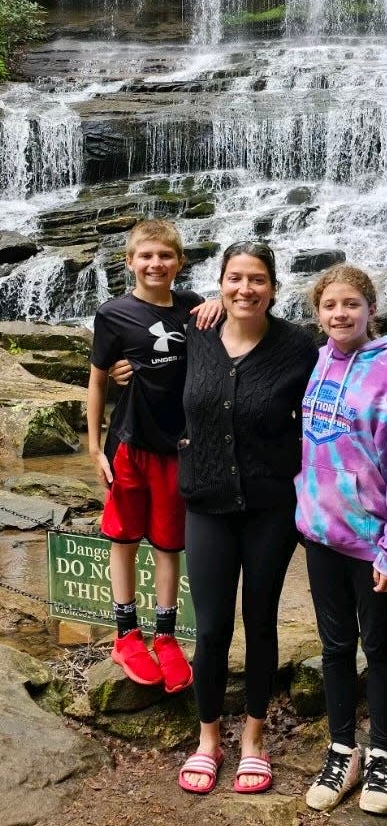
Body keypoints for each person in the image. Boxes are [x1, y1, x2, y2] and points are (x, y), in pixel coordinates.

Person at [176, 241, 318, 795]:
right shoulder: (196, 334)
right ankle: (208, 739)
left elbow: (332, 404)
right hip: (206, 503)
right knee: (210, 628)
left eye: (257, 279)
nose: (245, 289)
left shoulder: (297, 346)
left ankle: (254, 740)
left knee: (260, 622)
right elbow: (153, 376)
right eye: (235, 278)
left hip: (269, 508)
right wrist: (114, 374)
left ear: (274, 288)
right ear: (220, 283)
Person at [87, 218, 219, 693]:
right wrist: (91, 445)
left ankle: (165, 635)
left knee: (168, 541)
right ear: (130, 262)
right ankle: (126, 632)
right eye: (146, 256)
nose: (155, 263)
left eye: (165, 256)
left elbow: (226, 320)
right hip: (128, 442)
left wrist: (221, 300)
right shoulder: (113, 313)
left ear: (179, 262)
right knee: (122, 536)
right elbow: (99, 378)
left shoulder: (193, 307)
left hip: (177, 445)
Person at [296, 264, 387, 815]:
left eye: (351, 304)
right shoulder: (318, 361)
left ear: (370, 308)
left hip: (371, 540)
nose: (340, 314)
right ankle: (342, 749)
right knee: (334, 648)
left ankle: (382, 754)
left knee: (380, 649)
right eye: (330, 306)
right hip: (320, 534)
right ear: (318, 313)